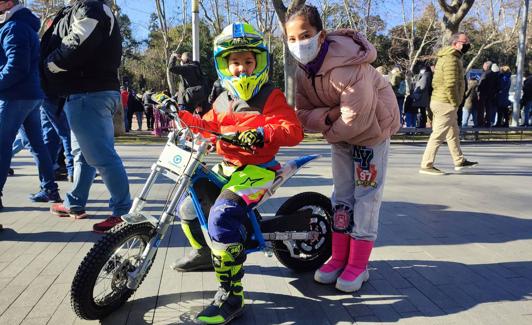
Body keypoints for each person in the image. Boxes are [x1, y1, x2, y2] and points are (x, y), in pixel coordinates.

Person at [174, 23, 303, 324]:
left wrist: (263, 133)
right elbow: (206, 125)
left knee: (221, 216)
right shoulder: (221, 99)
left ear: (259, 62)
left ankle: (232, 295)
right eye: (235, 62)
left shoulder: (270, 96)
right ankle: (207, 254)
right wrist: (178, 114)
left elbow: (293, 130)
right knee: (188, 209)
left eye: (248, 62)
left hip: (258, 170)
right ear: (224, 65)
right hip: (228, 167)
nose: (241, 69)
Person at [284, 5, 400, 293]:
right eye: (292, 38)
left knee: (366, 197)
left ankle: (358, 265)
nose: (300, 44)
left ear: (321, 36)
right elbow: (301, 113)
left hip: (372, 135)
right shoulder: (302, 72)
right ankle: (339, 257)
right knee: (342, 195)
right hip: (341, 137)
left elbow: (355, 118)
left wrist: (328, 123)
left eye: (306, 35)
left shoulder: (349, 65)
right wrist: (330, 115)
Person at [41, 0, 131, 232]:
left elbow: (78, 43)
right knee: (82, 153)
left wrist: (50, 64)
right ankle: (75, 202)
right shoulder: (86, 7)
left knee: (101, 156)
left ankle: (123, 213)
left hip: (89, 92)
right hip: (86, 92)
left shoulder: (90, 7)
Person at [0, 0, 62, 211]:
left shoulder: (14, 27)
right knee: (37, 145)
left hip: (15, 96)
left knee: (2, 146)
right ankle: (50, 190)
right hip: (31, 95)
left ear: (8, 3)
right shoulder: (22, 25)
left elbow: (16, 66)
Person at [419, 32, 478, 175]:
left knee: (453, 133)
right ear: (455, 43)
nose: (467, 45)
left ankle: (459, 161)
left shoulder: (451, 57)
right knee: (438, 134)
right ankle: (426, 165)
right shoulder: (451, 59)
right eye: (464, 42)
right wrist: (455, 102)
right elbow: (450, 84)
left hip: (443, 101)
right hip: (445, 102)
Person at [410, 64, 433, 128]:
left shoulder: (425, 75)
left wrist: (417, 90)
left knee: (422, 111)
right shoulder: (429, 75)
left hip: (421, 96)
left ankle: (422, 125)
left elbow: (422, 86)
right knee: (423, 111)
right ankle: (422, 124)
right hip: (424, 96)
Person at [477, 61, 499, 127]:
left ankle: (480, 123)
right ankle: (488, 122)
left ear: (487, 66)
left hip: (483, 94)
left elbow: (480, 84)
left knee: (481, 109)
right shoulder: (494, 75)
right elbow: (497, 86)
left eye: (484, 65)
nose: (483, 66)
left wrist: (478, 91)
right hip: (490, 94)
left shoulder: (485, 74)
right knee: (488, 108)